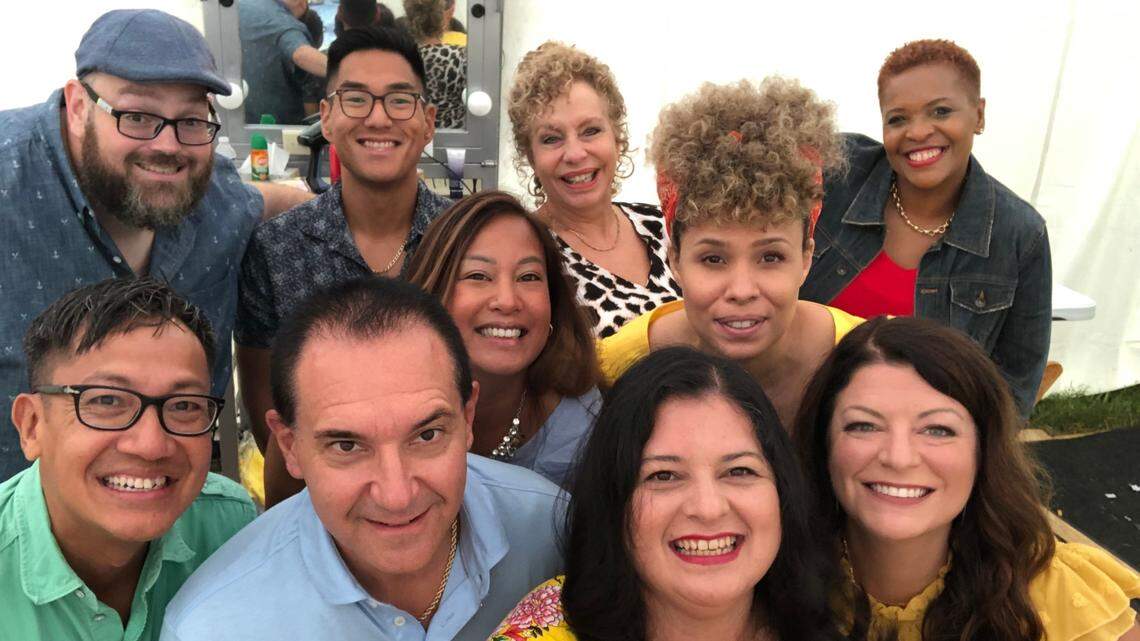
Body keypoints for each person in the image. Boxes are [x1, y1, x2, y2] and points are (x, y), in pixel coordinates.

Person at [162, 277, 565, 641]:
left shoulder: (557, 531)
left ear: (468, 417)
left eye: (426, 435)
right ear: (289, 445)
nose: (396, 495)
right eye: (347, 447)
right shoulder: (213, 626)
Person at [0, 8, 309, 482]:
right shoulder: (10, 184)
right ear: (79, 105)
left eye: (189, 118)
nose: (167, 145)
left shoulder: (214, 199)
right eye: (138, 115)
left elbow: (260, 201)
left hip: (172, 519)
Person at [794, 316, 1140, 641]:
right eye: (864, 426)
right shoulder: (771, 577)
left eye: (938, 430)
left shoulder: (1056, 594)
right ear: (824, 443)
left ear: (983, 452)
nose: (898, 458)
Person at [236, 26, 452, 506]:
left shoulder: (463, 242)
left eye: (400, 100)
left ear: (429, 121)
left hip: (444, 499)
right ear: (327, 118)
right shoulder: (275, 251)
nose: (378, 118)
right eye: (356, 99)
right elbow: (271, 419)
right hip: (313, 506)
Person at [491, 347, 841, 641]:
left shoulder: (841, 616)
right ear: (613, 500)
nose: (708, 508)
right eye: (664, 476)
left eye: (739, 471)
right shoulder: (546, 629)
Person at [800, 40, 1052, 418]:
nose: (917, 132)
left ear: (979, 116)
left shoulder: (1019, 234)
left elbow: (1014, 388)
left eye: (941, 111)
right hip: (799, 421)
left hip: (917, 450)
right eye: (898, 118)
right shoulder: (838, 175)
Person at [597, 78, 862, 428]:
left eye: (770, 257)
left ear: (807, 257)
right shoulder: (615, 370)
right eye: (713, 259)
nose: (741, 290)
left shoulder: (868, 364)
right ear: (674, 258)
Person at [1, 278, 256, 641]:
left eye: (184, 406)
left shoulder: (228, 525)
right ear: (32, 426)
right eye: (106, 401)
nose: (151, 445)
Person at [407, 191, 601, 487]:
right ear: (433, 290)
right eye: (478, 276)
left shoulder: (583, 426)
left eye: (528, 277)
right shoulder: (381, 403)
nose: (508, 301)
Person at [508, 42, 682, 338]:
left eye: (591, 131)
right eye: (551, 139)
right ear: (530, 157)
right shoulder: (525, 250)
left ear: (618, 138)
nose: (575, 154)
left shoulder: (663, 225)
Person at [239, 0, 328, 123]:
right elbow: (301, 54)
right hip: (280, 125)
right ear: (300, 3)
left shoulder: (239, 6)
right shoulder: (284, 22)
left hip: (237, 119)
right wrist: (352, 70)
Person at [403, 0, 468, 129]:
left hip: (417, 133)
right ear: (441, 20)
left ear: (409, 20)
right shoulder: (460, 57)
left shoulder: (403, 59)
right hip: (456, 135)